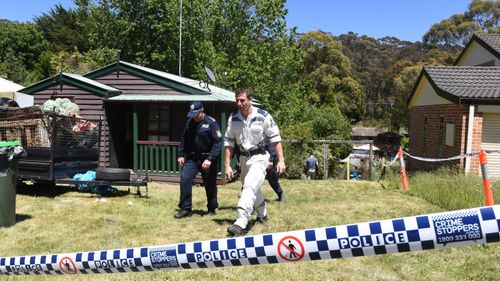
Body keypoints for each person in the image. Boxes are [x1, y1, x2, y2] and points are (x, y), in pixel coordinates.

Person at [224, 88, 285, 236]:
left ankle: (241, 221)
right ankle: (262, 215)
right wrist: (227, 165)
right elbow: (229, 143)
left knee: (250, 185)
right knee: (252, 187)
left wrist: (281, 160)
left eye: (242, 100)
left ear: (250, 99)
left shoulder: (263, 116)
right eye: (237, 100)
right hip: (243, 158)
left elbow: (275, 139)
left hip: (260, 157)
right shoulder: (233, 118)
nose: (239, 103)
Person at [174, 101, 222, 219]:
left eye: (196, 114)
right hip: (192, 158)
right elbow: (183, 138)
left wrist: (210, 159)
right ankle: (185, 208)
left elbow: (218, 143)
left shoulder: (211, 123)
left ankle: (212, 208)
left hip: (207, 158)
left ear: (202, 111)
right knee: (185, 179)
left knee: (209, 184)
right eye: (192, 114)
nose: (193, 117)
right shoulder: (190, 122)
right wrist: (181, 154)